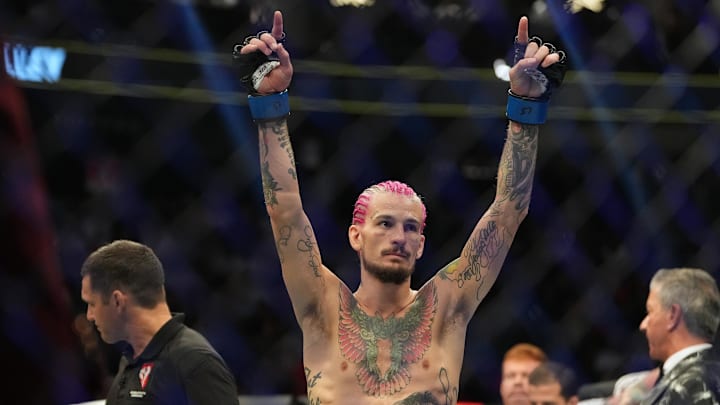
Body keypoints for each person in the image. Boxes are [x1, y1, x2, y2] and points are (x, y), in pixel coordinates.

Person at [235, 9, 566, 404]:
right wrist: (270, 103)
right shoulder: (323, 305)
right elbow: (285, 210)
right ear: (356, 235)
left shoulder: (447, 306)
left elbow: (508, 212)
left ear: (422, 244)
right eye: (386, 224)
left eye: (411, 228)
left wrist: (525, 111)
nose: (400, 237)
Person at [79, 240, 239, 405]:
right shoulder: (131, 361)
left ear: (117, 301)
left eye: (92, 304)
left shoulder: (194, 362)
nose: (89, 316)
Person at [638, 267, 720, 405]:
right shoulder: (701, 374)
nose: (643, 325)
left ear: (673, 315)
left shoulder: (691, 385)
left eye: (650, 312)